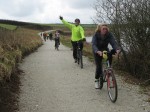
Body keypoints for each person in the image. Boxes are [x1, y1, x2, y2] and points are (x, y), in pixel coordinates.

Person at [92, 24, 120, 89]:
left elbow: (113, 43)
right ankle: (96, 80)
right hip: (97, 52)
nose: (105, 30)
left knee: (109, 67)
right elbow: (94, 44)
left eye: (106, 29)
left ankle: (109, 77)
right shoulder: (96, 34)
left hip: (105, 51)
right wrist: (97, 51)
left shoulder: (109, 34)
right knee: (99, 67)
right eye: (103, 29)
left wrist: (117, 49)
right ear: (100, 29)